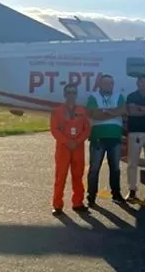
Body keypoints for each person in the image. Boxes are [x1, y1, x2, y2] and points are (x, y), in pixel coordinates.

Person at [86, 74, 127, 206]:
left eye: (110, 83)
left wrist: (104, 112)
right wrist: (113, 112)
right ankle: (91, 196)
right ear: (100, 85)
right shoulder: (93, 96)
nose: (108, 85)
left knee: (115, 168)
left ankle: (116, 194)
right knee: (94, 168)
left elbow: (123, 109)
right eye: (105, 83)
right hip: (98, 137)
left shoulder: (118, 96)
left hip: (115, 137)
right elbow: (94, 114)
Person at [50, 83, 91, 215]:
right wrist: (67, 141)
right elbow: (54, 130)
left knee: (78, 176)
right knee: (60, 176)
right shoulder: (57, 111)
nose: (71, 95)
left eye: (73, 92)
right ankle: (57, 205)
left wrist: (77, 141)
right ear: (64, 94)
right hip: (63, 148)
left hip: (78, 148)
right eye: (68, 92)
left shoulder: (82, 111)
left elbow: (87, 129)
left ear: (76, 94)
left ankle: (78, 202)